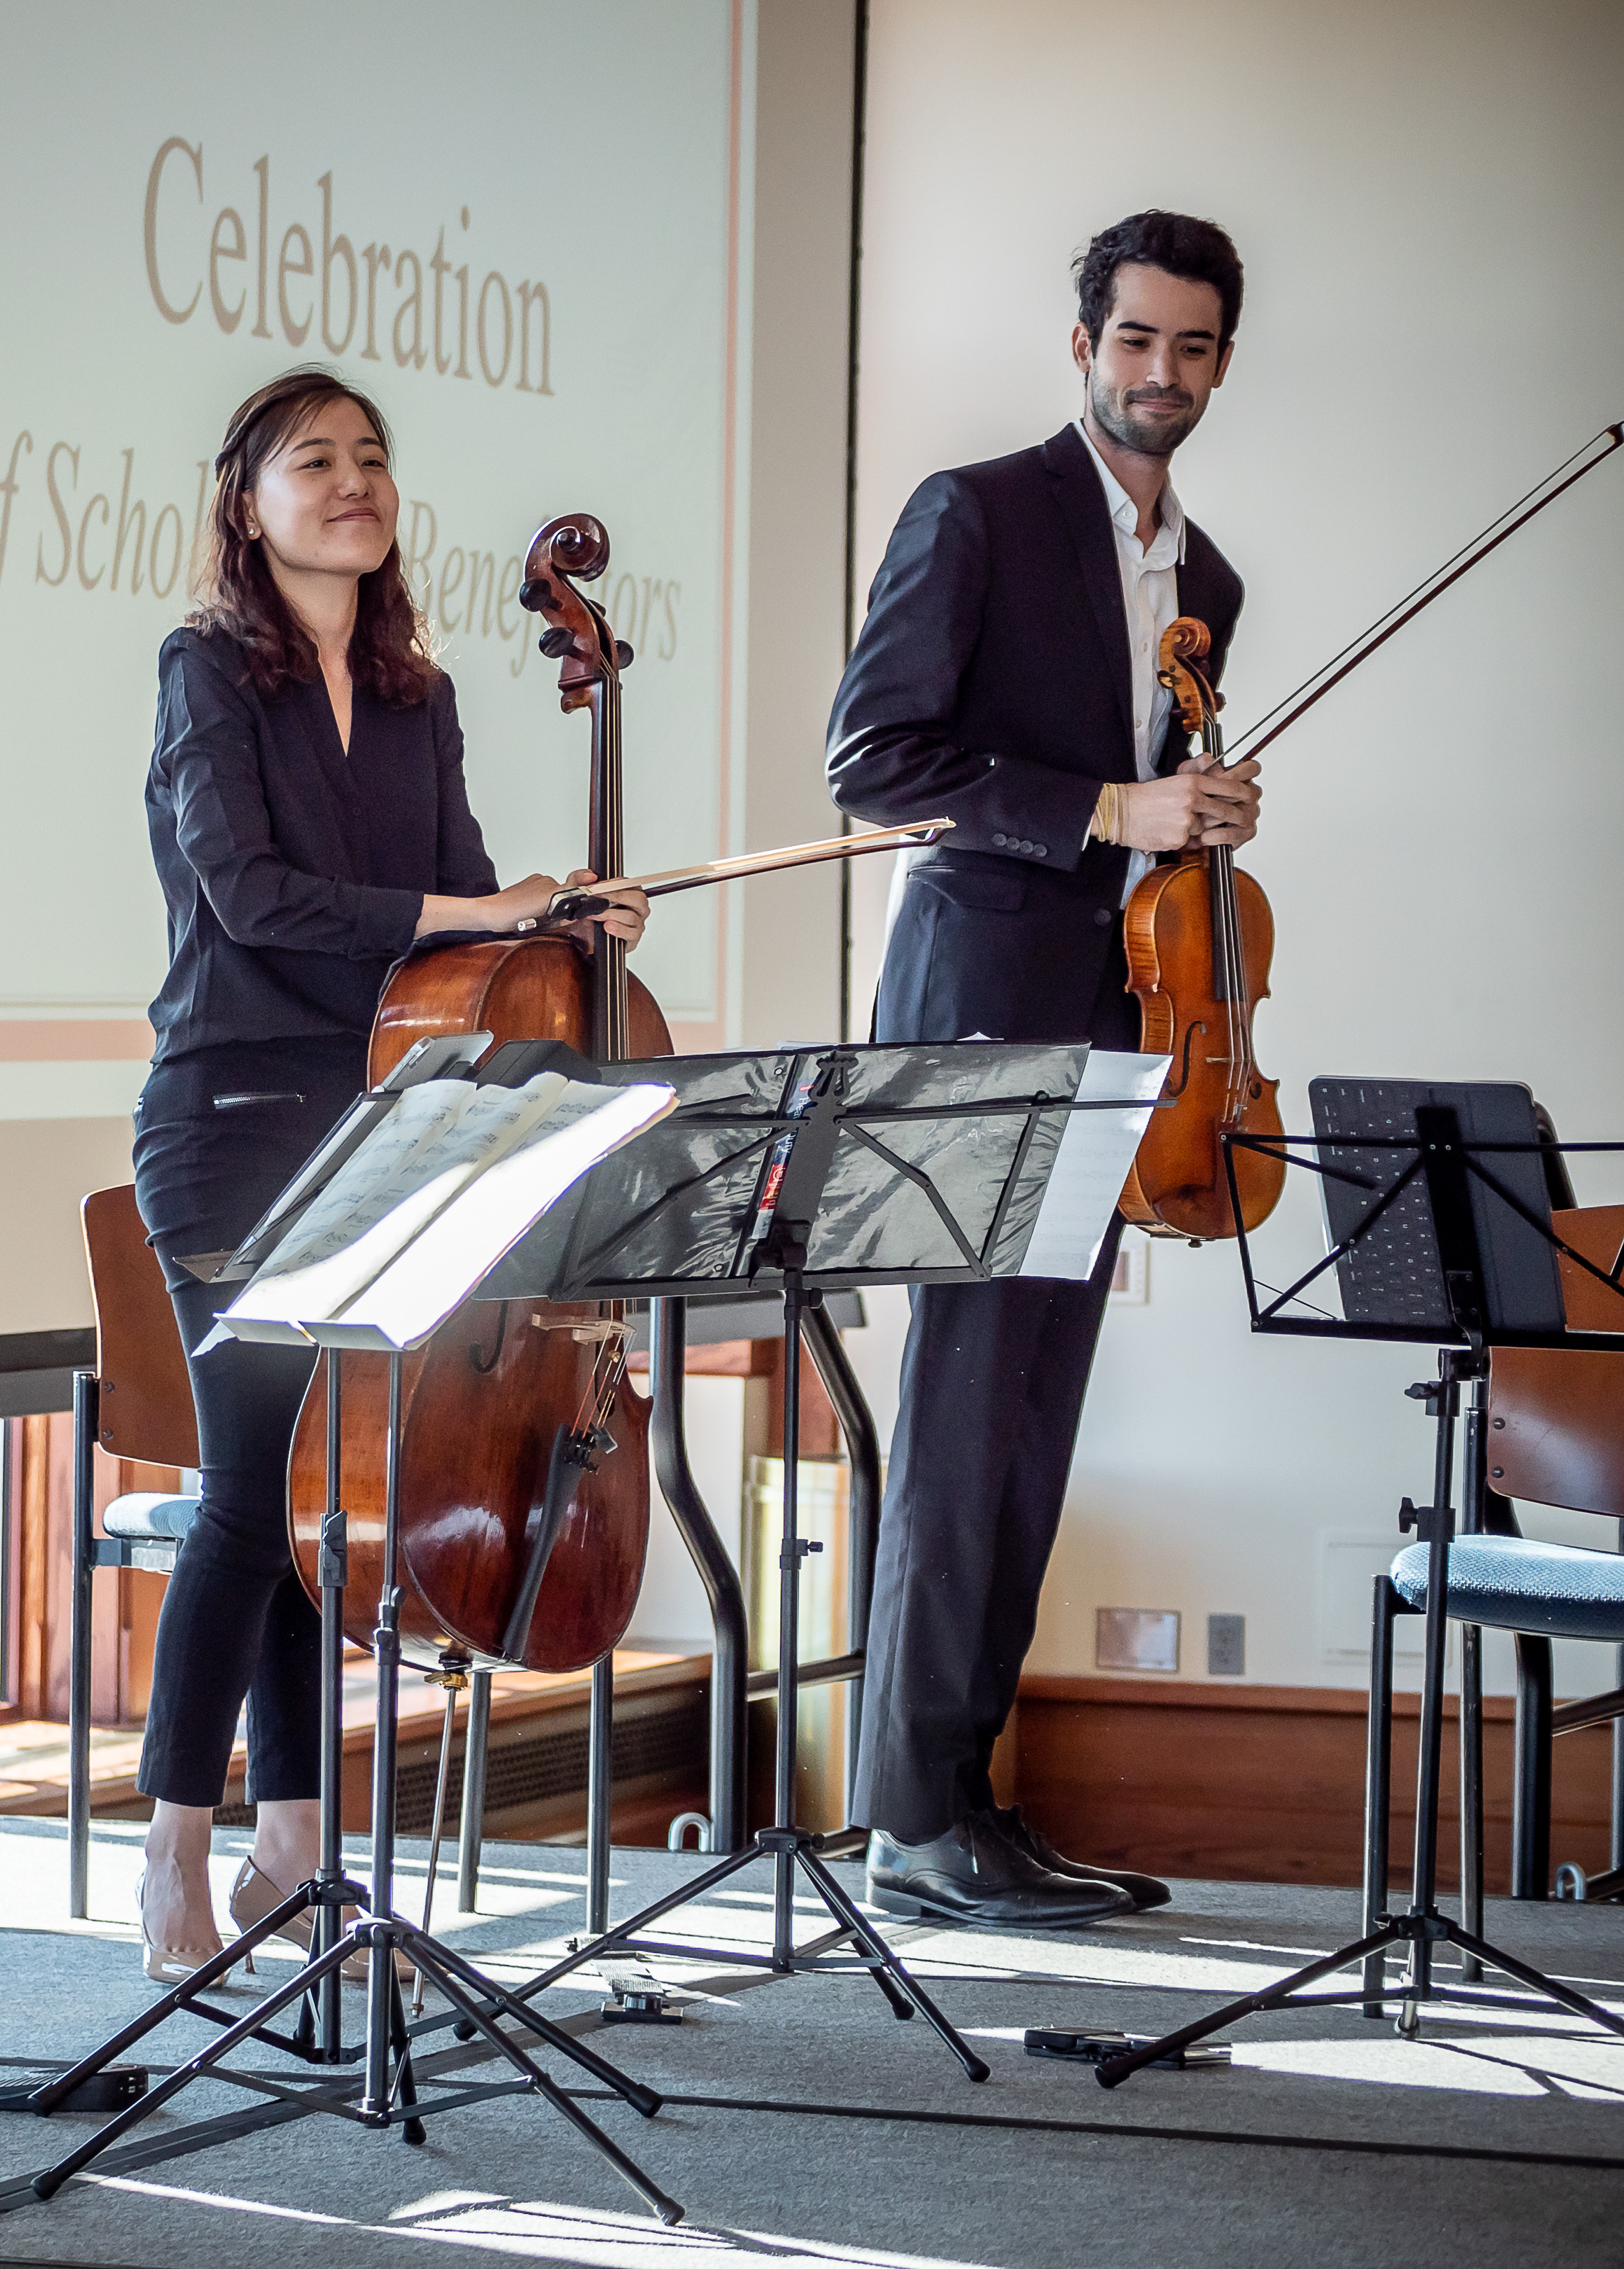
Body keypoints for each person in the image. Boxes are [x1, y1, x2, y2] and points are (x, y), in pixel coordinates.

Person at [129, 367, 650, 1979]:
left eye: (371, 458)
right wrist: (477, 914)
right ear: (250, 501)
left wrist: (562, 924)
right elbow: (256, 897)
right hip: (228, 1122)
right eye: (314, 460)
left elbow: (468, 901)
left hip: (378, 1127)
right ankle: (174, 1862)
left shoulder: (419, 694)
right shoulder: (208, 670)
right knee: (245, 1496)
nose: (352, 480)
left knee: (320, 1511)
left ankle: (297, 1856)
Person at [827, 210, 1260, 1928]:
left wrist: (1194, 813)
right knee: (961, 1411)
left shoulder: (1207, 581)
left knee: (1034, 1418)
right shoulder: (979, 511)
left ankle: (964, 1795)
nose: (1163, 373)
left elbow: (1153, 791)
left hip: (1121, 1031)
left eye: (1195, 348)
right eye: (1137, 339)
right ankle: (912, 1814)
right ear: (1083, 342)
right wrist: (1107, 809)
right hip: (975, 1021)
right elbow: (876, 756)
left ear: (1224, 363)